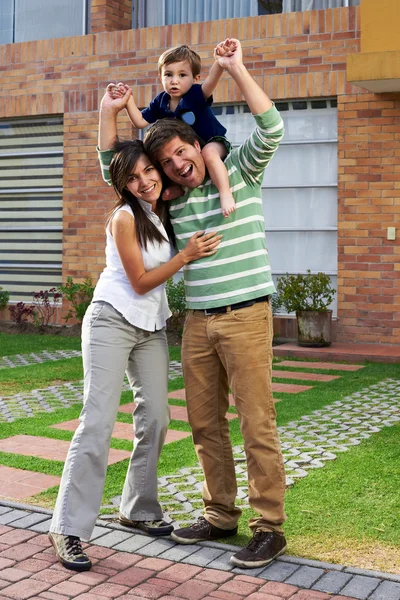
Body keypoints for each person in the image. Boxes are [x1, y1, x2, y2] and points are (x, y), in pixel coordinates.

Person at [99, 38, 287, 570]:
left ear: (197, 145)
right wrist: (108, 113)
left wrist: (237, 68)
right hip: (199, 323)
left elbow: (273, 127)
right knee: (205, 424)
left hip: (247, 314)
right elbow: (114, 168)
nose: (176, 165)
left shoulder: (243, 173)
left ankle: (269, 527)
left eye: (181, 152)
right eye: (166, 162)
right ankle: (221, 514)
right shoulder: (172, 205)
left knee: (257, 422)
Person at [47, 89, 221, 573]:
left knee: (159, 418)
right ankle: (68, 528)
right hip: (111, 318)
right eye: (135, 176)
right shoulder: (124, 217)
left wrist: (209, 88)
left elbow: (196, 144)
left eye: (150, 171)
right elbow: (142, 281)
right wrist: (107, 110)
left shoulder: (161, 207)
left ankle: (136, 510)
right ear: (121, 183)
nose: (145, 180)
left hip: (151, 327)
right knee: (98, 422)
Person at [112, 42, 236, 217]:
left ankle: (225, 193)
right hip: (186, 153)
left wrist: (220, 62)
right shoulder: (160, 101)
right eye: (168, 75)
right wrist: (127, 100)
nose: (174, 81)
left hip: (213, 142)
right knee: (166, 160)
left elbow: (211, 82)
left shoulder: (195, 95)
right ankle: (180, 187)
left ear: (195, 78)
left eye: (182, 75)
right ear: (160, 77)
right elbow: (139, 121)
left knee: (208, 153)